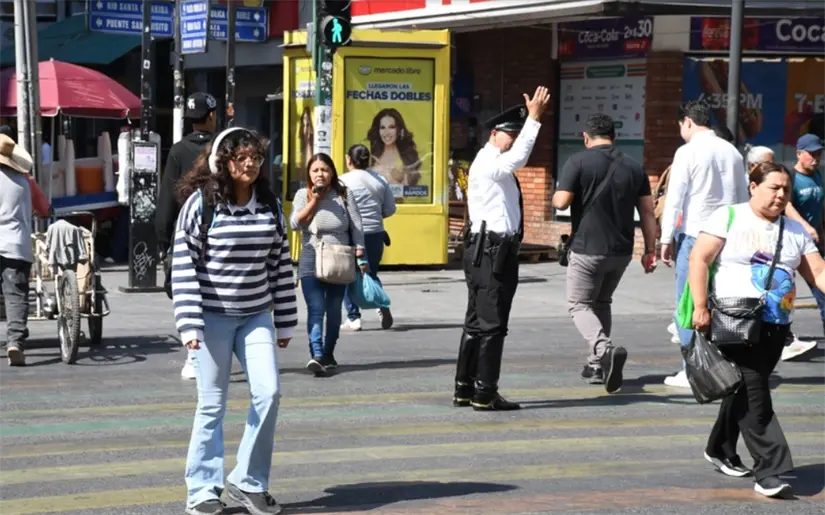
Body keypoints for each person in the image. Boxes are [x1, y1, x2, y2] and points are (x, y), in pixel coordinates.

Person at [171, 127, 296, 515]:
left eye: (256, 158)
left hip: (256, 314)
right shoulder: (201, 205)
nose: (250, 165)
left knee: (269, 392)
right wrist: (190, 324)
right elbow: (184, 267)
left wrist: (286, 322)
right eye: (242, 157)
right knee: (212, 405)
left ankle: (248, 481)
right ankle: (203, 490)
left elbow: (279, 264)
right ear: (223, 162)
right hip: (211, 318)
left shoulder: (271, 205)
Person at [689, 161, 825, 499]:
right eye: (773, 187)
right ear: (753, 187)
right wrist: (701, 306)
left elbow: (817, 273)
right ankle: (770, 469)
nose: (780, 195)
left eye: (785, 190)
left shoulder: (795, 231)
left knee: (745, 388)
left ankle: (719, 447)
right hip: (735, 322)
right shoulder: (729, 217)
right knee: (756, 395)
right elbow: (699, 259)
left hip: (776, 326)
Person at [453, 86, 550, 412]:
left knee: (477, 323)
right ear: (495, 134)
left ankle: (465, 389)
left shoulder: (492, 162)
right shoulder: (489, 162)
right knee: (492, 325)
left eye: (517, 134)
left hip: (489, 250)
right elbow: (519, 157)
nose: (514, 141)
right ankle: (484, 392)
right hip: (491, 252)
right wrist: (534, 120)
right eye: (511, 134)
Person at [552, 114, 658, 393]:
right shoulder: (634, 167)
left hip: (588, 248)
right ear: (614, 137)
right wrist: (650, 250)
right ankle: (596, 365)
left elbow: (561, 201)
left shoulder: (577, 161)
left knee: (579, 304)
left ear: (586, 138)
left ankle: (604, 350)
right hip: (621, 251)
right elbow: (647, 212)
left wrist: (560, 192)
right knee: (601, 303)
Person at [660, 100, 749, 388]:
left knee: (687, 302)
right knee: (719, 301)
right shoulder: (732, 152)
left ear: (687, 121)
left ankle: (693, 369)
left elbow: (675, 199)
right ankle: (723, 363)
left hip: (695, 235)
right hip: (727, 236)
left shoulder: (687, 152)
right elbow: (742, 199)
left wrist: (665, 238)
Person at [156, 92, 218, 380]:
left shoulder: (179, 151)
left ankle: (195, 356)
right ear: (212, 116)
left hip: (186, 234)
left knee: (189, 293)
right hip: (221, 231)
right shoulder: (223, 148)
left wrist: (164, 239)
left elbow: (168, 198)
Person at [291, 153, 365, 376]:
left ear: (332, 172)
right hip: (311, 257)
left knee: (333, 310)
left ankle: (329, 352)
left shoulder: (343, 194)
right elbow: (295, 223)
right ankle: (316, 354)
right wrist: (315, 200)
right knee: (316, 309)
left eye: (324, 169)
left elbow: (357, 225)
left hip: (339, 258)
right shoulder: (302, 194)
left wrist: (360, 253)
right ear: (309, 174)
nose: (320, 174)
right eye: (315, 170)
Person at [0, 134, 48, 367]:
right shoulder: (24, 180)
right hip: (16, 245)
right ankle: (15, 343)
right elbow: (44, 209)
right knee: (16, 295)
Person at [339, 144, 397, 331]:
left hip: (349, 234)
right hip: (375, 234)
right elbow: (389, 209)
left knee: (348, 275)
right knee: (370, 273)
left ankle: (353, 317)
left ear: (349, 159)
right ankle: (382, 305)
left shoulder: (341, 182)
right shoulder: (379, 180)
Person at [779, 134, 824, 362]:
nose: (816, 158)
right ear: (798, 153)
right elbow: (786, 207)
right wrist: (805, 227)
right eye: (811, 154)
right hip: (791, 242)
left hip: (814, 245)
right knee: (782, 292)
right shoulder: (792, 177)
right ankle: (782, 338)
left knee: (821, 291)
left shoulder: (817, 176)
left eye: (819, 154)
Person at [367, 108, 422, 186]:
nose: (387, 132)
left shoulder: (406, 157)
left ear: (398, 129)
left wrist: (389, 178)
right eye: (382, 127)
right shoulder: (371, 157)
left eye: (391, 127)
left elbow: (408, 191)